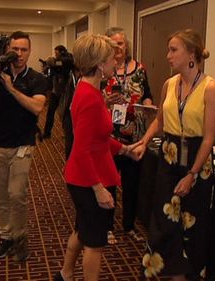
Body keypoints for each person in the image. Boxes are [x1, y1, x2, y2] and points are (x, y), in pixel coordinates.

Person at [134, 29, 215, 280]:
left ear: (191, 53)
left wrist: (192, 174)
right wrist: (144, 140)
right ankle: (171, 272)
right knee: (164, 221)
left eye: (174, 50)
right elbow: (160, 121)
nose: (168, 56)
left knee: (192, 224)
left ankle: (188, 274)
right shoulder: (169, 84)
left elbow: (208, 138)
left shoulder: (210, 88)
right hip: (169, 158)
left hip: (197, 162)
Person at [55, 34, 141, 281]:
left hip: (84, 174)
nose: (116, 61)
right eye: (111, 58)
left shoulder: (86, 88)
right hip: (88, 179)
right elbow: (81, 150)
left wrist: (123, 149)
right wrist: (98, 188)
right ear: (100, 64)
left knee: (83, 231)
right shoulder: (91, 98)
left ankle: (65, 274)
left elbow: (97, 140)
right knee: (94, 242)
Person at [0, 31, 48, 262]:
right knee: (0, 195)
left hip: (23, 144)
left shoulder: (37, 79)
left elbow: (36, 108)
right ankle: (6, 236)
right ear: (7, 51)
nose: (19, 54)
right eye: (15, 49)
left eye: (24, 49)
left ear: (30, 51)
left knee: (17, 194)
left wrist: (11, 88)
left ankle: (20, 237)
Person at [103, 27, 153, 244]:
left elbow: (147, 94)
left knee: (133, 185)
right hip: (110, 137)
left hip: (135, 138)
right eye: (113, 44)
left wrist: (149, 107)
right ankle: (107, 227)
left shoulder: (139, 69)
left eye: (120, 44)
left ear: (127, 45)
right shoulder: (103, 69)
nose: (117, 48)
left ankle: (129, 226)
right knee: (109, 184)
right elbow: (94, 98)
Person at [42, 45, 74, 139]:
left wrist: (52, 62)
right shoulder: (59, 61)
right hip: (56, 90)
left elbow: (60, 63)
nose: (55, 55)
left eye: (56, 53)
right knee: (50, 112)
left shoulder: (67, 59)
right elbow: (54, 66)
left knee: (65, 113)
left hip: (64, 91)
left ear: (62, 51)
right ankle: (47, 133)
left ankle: (67, 132)